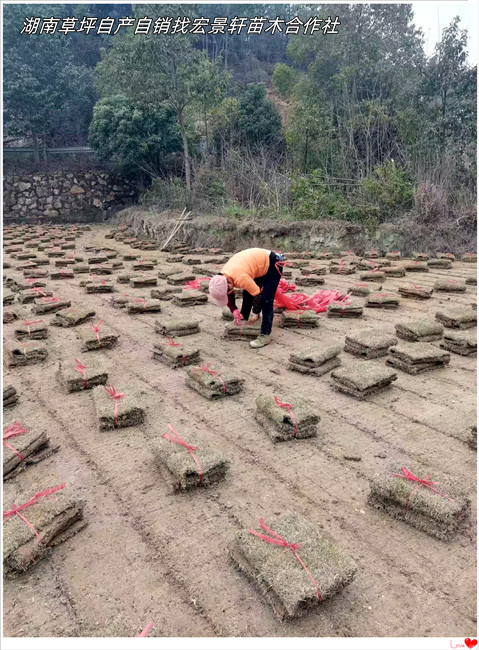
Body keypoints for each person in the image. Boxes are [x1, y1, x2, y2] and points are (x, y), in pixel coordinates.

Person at [208, 248, 285, 348]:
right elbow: (228, 292)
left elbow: (257, 296)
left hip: (273, 263)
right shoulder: (223, 276)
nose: (227, 293)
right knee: (248, 291)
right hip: (258, 264)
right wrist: (234, 310)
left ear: (228, 285)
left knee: (266, 299)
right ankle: (244, 316)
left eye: (227, 291)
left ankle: (265, 334)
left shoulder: (240, 277)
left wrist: (255, 312)